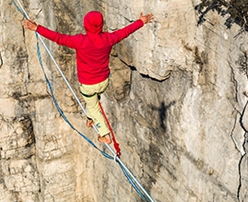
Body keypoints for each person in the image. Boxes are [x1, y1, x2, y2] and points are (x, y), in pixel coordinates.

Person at [22, 11, 154, 144]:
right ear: (101, 25)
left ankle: (105, 135)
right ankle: (90, 118)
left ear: (86, 25)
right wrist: (141, 21)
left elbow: (58, 38)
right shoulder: (108, 38)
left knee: (94, 106)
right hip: (104, 82)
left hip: (88, 85)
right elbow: (125, 32)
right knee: (92, 101)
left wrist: (36, 28)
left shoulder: (80, 41)